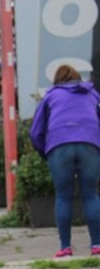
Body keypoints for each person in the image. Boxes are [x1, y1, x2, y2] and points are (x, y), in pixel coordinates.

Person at [29, 64, 100, 258]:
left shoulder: (51, 96)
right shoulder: (93, 94)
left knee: (63, 196)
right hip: (89, 144)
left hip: (59, 146)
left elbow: (36, 131)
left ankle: (65, 247)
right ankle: (97, 245)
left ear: (57, 80)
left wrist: (46, 152)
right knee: (90, 194)